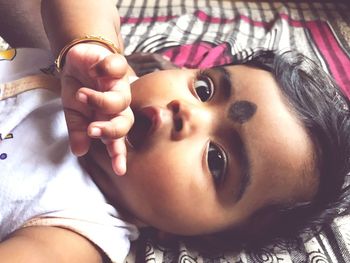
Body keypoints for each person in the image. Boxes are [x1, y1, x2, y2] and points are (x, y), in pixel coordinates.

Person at [0, 0, 349, 262]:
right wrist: (89, 43)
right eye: (204, 89)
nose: (188, 112)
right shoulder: (104, 74)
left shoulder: (79, 232)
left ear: (204, 236)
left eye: (216, 161)